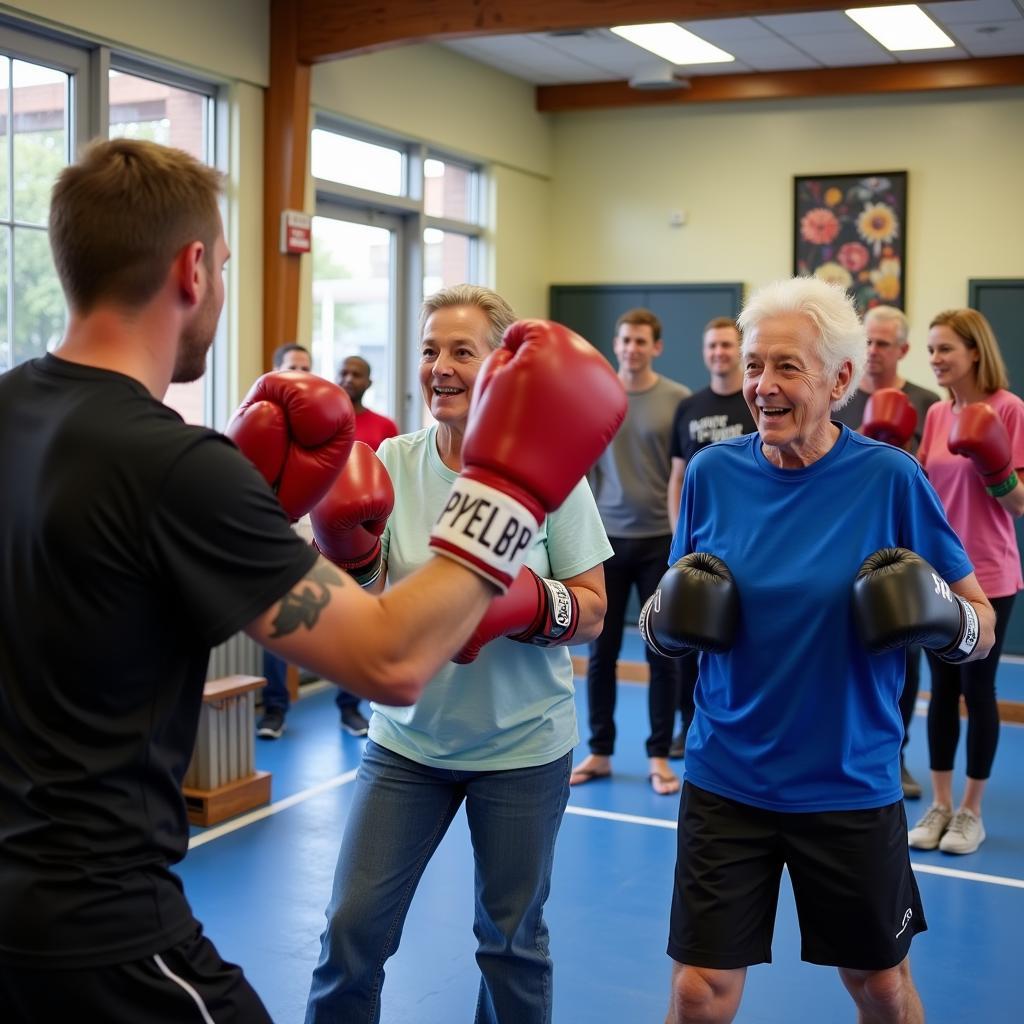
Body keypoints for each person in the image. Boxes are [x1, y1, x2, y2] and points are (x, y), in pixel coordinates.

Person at [0, 139, 624, 1022]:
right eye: (222, 262)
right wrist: (511, 492)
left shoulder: (14, 410)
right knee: (349, 936)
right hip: (100, 918)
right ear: (192, 270)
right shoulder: (184, 470)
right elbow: (393, 660)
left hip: (22, 891)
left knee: (511, 937)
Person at [643, 276, 994, 1024]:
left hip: (848, 782)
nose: (762, 387)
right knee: (697, 990)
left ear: (839, 380)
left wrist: (937, 617)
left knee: (880, 987)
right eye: (752, 366)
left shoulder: (889, 479)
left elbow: (982, 621)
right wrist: (665, 621)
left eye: (786, 367)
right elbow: (667, 605)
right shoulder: (713, 475)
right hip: (727, 775)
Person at [304, 284, 614, 1024]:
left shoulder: (549, 476)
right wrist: (346, 553)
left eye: (462, 351)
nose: (440, 366)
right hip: (407, 741)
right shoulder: (388, 461)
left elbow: (596, 609)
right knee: (351, 930)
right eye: (429, 350)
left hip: (521, 745)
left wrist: (526, 605)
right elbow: (372, 598)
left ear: (500, 368)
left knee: (511, 944)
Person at [907, 308, 1024, 854]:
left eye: (944, 349)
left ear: (974, 351)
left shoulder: (1009, 410)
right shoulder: (934, 415)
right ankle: (940, 804)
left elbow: (1019, 503)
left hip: (993, 571)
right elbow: (929, 491)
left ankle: (971, 813)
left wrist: (992, 463)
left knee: (978, 689)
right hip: (942, 572)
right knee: (942, 689)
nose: (934, 359)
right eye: (930, 350)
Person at [572, 307, 691, 795]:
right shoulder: (599, 395)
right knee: (601, 653)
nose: (632, 348)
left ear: (656, 346)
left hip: (658, 540)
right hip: (605, 539)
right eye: (625, 340)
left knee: (661, 653)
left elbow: (683, 473)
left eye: (641, 341)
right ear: (616, 345)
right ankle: (600, 751)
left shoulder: (678, 400)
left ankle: (658, 756)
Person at [834, 305, 940, 800]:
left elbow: (930, 484)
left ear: (902, 350)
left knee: (902, 651)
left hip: (898, 552)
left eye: (882, 344)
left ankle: (894, 756)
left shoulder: (925, 401)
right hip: (844, 543)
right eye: (867, 343)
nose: (873, 352)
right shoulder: (841, 396)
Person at [256, 343, 372, 740]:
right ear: (275, 372)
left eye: (306, 367)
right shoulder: (261, 424)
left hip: (333, 536)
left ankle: (350, 708)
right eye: (292, 367)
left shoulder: (325, 422)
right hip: (281, 538)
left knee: (351, 622)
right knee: (276, 624)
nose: (301, 372)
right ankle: (274, 709)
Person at [665, 316, 755, 759]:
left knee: (742, 641)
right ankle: (689, 725)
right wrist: (680, 540)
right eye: (712, 346)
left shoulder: (756, 402)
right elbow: (678, 477)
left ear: (738, 351)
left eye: (726, 345)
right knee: (689, 639)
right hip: (701, 547)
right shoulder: (689, 405)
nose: (719, 353)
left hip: (746, 544)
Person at [338, 353, 399, 450]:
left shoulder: (386, 426)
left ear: (369, 383)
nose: (348, 379)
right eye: (343, 373)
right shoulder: (323, 421)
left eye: (356, 375)